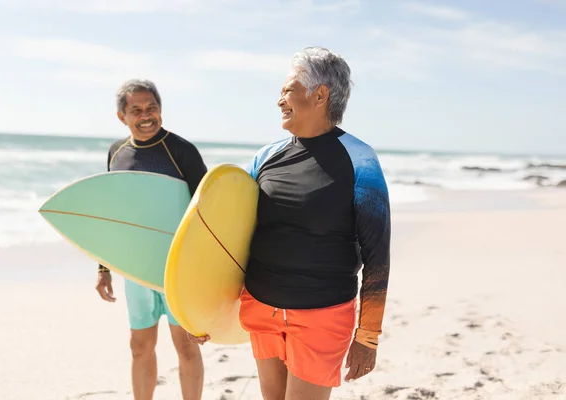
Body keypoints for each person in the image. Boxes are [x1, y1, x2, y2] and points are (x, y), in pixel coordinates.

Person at [190, 47, 391, 399]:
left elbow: (377, 256)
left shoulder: (360, 161)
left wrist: (368, 335)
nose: (279, 100)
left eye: (287, 90)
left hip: (322, 314)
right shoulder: (266, 157)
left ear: (320, 94)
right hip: (261, 307)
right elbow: (231, 237)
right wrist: (204, 311)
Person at [95, 79, 208, 400]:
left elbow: (208, 210)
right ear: (122, 116)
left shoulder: (181, 151)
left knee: (186, 346)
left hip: (179, 268)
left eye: (152, 108)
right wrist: (104, 268)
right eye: (136, 110)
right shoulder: (116, 152)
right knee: (139, 346)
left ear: (160, 110)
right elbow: (111, 214)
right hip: (136, 268)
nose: (146, 116)